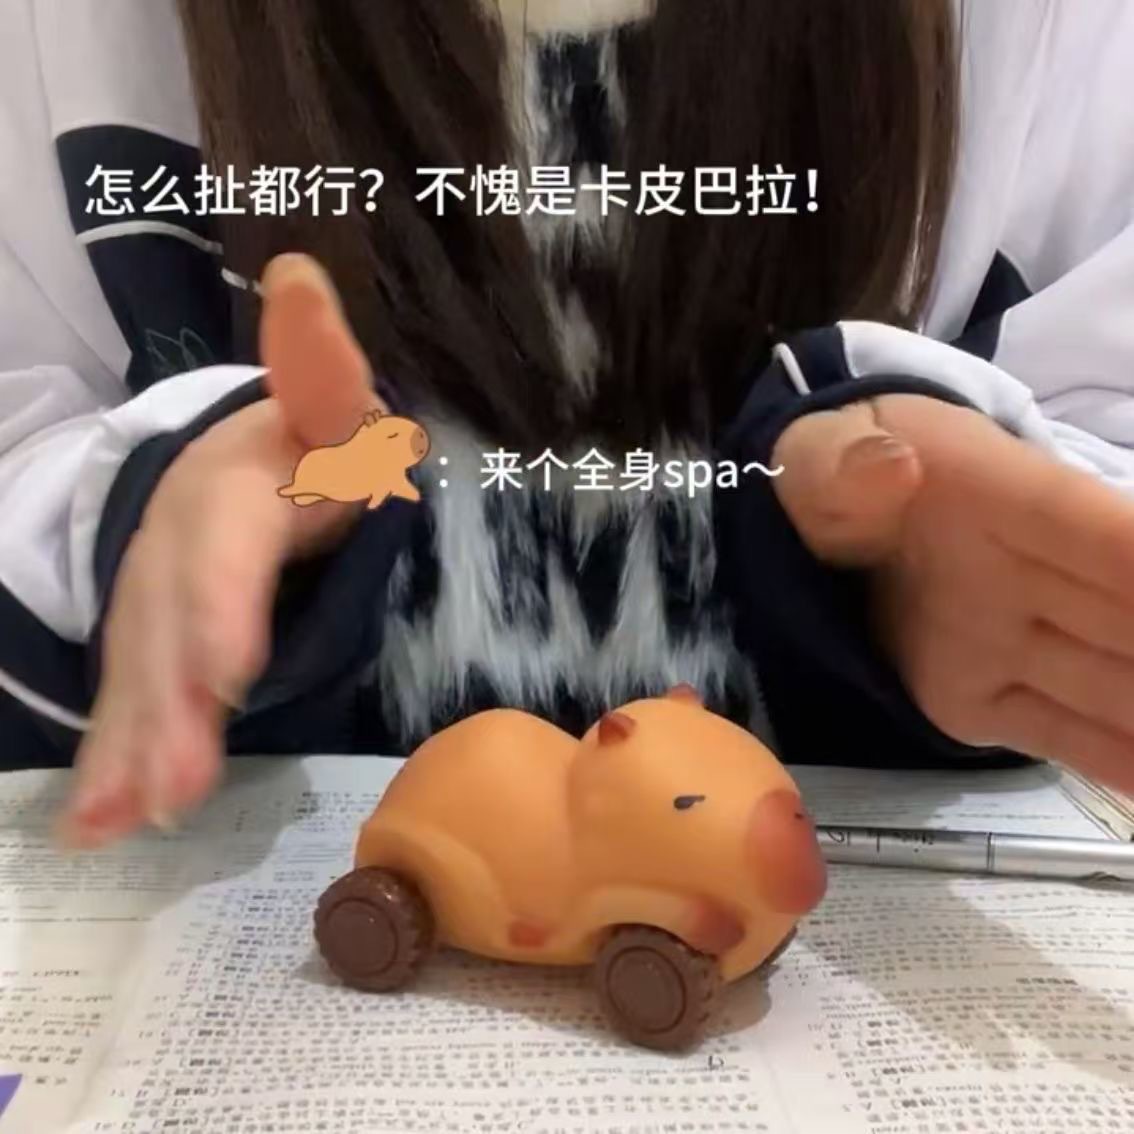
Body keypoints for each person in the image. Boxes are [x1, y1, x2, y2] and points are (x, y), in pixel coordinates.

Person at [2, 0, 1134, 850]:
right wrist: (153, 503)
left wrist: (941, 560)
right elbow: (25, 406)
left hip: (827, 908)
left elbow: (1098, 404)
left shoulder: (1045, 32)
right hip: (276, 906)